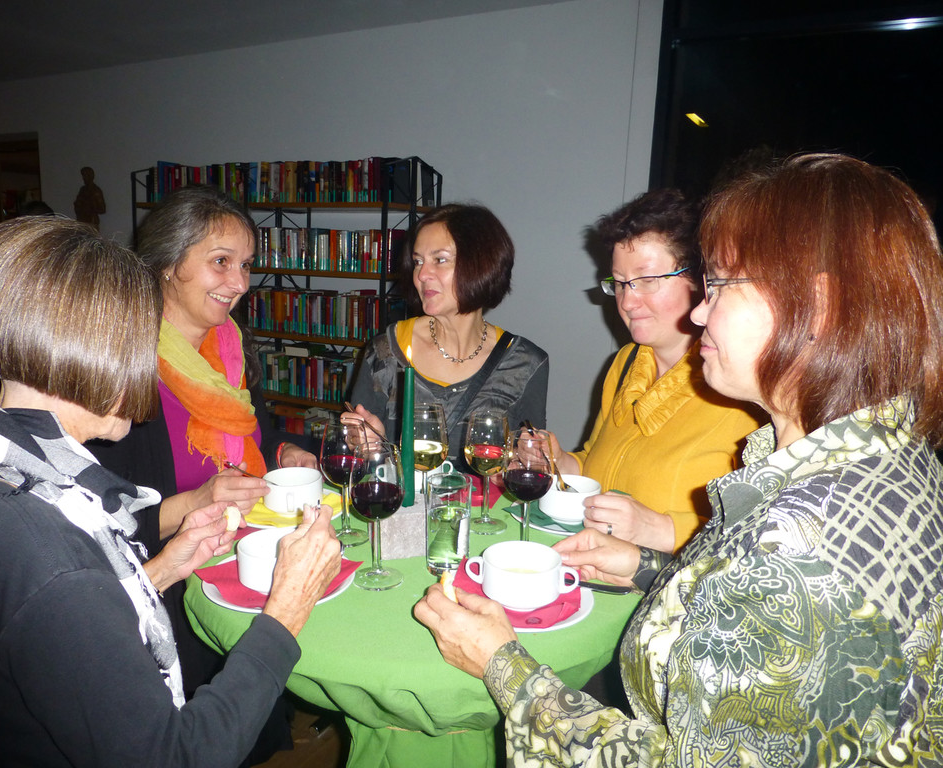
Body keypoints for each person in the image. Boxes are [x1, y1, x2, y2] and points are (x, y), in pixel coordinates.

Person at [414, 154, 943, 766]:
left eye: (721, 285)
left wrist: (502, 666)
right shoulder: (893, 459)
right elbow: (737, 610)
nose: (699, 311)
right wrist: (646, 568)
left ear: (816, 305)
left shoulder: (798, 552)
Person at [0, 216, 341, 766]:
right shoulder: (51, 561)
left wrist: (160, 570)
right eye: (139, 342)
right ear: (85, 349)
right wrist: (285, 614)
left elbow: (62, 638)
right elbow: (176, 757)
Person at [89, 185, 318, 754]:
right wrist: (196, 502)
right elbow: (99, 520)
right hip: (169, 588)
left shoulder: (231, 347)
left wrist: (286, 451)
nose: (239, 283)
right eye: (221, 262)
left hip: (241, 559)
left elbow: (257, 434)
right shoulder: (119, 367)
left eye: (245, 265)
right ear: (167, 265)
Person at [537, 189, 762, 553]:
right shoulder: (625, 362)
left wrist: (659, 529)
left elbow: (760, 528)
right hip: (597, 568)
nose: (627, 301)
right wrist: (559, 461)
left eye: (646, 280)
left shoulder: (744, 388)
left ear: (698, 279)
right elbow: (598, 464)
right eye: (620, 283)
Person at [335, 203, 549, 470]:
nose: (422, 275)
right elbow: (356, 465)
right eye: (418, 261)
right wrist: (369, 447)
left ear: (482, 265)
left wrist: (529, 459)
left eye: (440, 260)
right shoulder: (386, 351)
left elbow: (530, 469)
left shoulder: (524, 364)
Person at [73, 165, 106, 230]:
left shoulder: (96, 191)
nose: (83, 178)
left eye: (85, 176)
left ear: (90, 176)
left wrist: (91, 207)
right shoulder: (82, 190)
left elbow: (102, 209)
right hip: (81, 222)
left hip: (91, 222)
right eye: (83, 176)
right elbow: (77, 203)